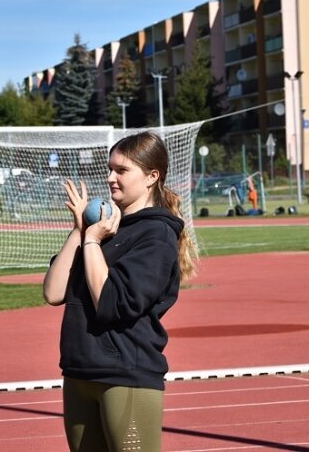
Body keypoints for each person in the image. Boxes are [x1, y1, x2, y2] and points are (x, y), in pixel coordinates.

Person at [43, 131, 198, 452]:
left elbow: (111, 303)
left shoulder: (157, 235)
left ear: (151, 177)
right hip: (79, 371)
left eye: (122, 171)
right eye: (110, 169)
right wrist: (79, 230)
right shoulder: (105, 228)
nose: (110, 178)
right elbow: (54, 292)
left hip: (126, 376)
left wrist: (92, 242)